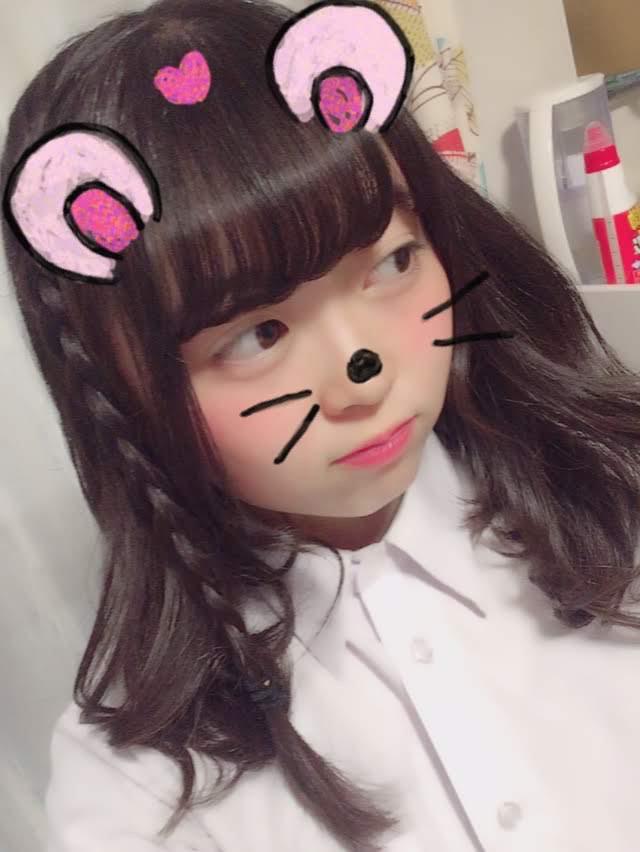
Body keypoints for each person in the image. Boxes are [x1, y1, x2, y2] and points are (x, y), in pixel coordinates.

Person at [3, 0, 640, 849]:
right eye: (256, 335)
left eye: (394, 262)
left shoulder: (617, 500)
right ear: (121, 390)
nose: (359, 372)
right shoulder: (138, 781)